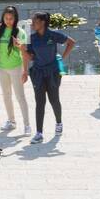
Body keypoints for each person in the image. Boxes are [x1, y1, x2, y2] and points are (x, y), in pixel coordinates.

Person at [23, 12, 75, 144]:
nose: (32, 23)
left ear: (43, 22)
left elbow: (71, 42)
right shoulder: (32, 38)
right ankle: (39, 133)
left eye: (34, 21)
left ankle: (59, 123)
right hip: (38, 73)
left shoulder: (53, 35)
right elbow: (30, 57)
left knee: (54, 99)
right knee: (40, 102)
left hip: (53, 72)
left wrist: (62, 58)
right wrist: (21, 49)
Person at [0, 6, 29, 130]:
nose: (8, 21)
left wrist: (25, 71)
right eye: (6, 18)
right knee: (6, 95)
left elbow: (24, 53)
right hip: (1, 68)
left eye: (11, 18)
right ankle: (11, 121)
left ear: (15, 18)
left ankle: (27, 125)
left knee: (20, 96)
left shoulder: (20, 32)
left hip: (16, 68)